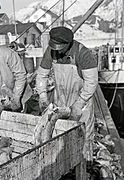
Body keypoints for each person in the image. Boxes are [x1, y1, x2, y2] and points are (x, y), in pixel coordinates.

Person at [36, 26, 98, 162]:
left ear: (68, 43)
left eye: (59, 48)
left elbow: (91, 82)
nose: (56, 51)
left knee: (83, 139)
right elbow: (41, 75)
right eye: (54, 47)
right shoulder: (51, 52)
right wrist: (42, 96)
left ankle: (84, 168)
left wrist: (79, 103)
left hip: (81, 103)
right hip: (61, 100)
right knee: (61, 138)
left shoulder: (83, 53)